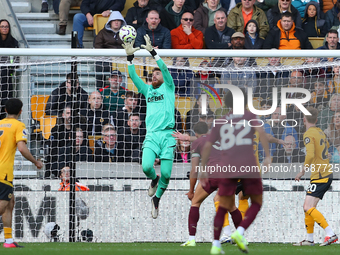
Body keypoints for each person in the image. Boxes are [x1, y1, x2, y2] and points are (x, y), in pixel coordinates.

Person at [200, 89, 271, 254]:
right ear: (245, 102)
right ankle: (240, 232)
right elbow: (261, 133)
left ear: (226, 104)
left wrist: (202, 169)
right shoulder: (249, 117)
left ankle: (216, 245)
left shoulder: (220, 121)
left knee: (223, 205)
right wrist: (267, 156)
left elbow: (208, 145)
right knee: (257, 202)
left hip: (228, 166)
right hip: (248, 165)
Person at [123, 34, 177, 219]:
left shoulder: (169, 86)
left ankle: (157, 199)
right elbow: (132, 75)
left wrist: (153, 52)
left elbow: (163, 67)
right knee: (147, 166)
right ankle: (154, 180)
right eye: (152, 74)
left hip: (168, 135)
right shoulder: (147, 90)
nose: (154, 75)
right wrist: (130, 57)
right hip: (152, 135)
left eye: (157, 74)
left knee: (168, 174)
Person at [180, 122, 237, 247]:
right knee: (232, 207)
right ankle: (241, 237)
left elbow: (194, 170)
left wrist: (191, 191)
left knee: (195, 202)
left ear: (195, 133)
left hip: (212, 175)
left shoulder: (197, 143)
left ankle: (191, 239)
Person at [0, 98, 43, 248]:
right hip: (3, 171)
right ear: (20, 111)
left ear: (5, 110)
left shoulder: (0, 124)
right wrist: (36, 162)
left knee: (10, 204)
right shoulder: (19, 125)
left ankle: (8, 241)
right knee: (3, 204)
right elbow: (22, 148)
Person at [294, 107, 338, 246]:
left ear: (303, 119)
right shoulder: (320, 131)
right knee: (308, 207)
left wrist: (302, 171)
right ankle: (309, 239)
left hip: (320, 174)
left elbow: (310, 155)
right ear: (317, 119)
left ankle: (330, 234)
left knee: (308, 207)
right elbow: (325, 151)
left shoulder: (308, 134)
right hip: (325, 172)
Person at [0, 19, 18, 120]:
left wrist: (11, 69)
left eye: (6, 26)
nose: (4, 28)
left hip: (7, 76)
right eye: (2, 26)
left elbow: (17, 59)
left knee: (5, 99)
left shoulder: (13, 42)